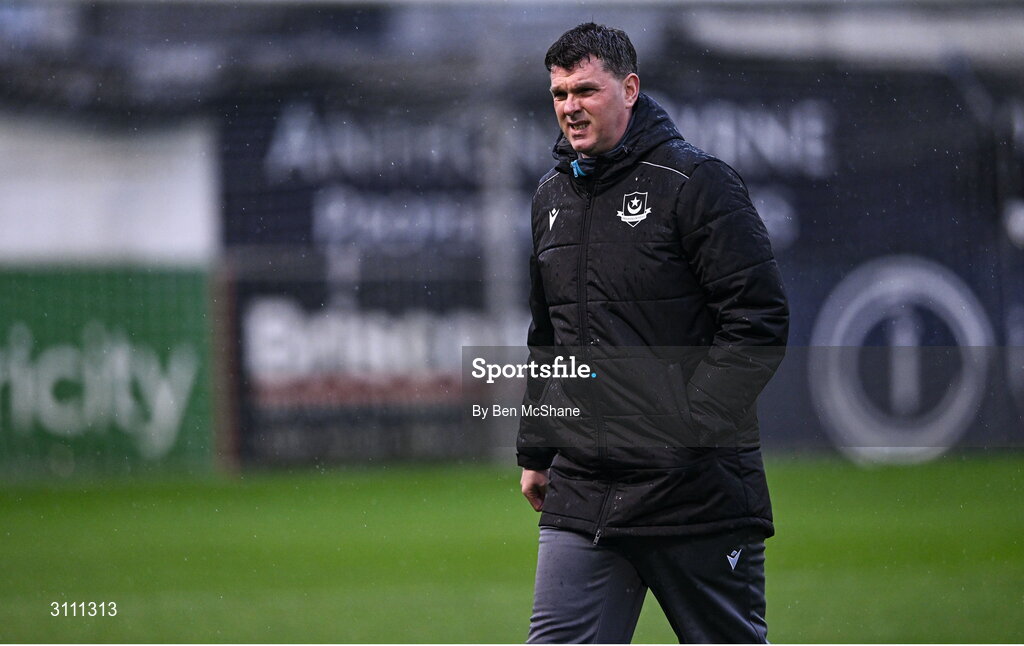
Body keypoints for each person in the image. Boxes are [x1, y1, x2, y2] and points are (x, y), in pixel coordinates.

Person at [516, 23, 790, 644]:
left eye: (585, 89)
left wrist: (687, 429)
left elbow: (758, 320)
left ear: (630, 88)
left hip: (692, 488)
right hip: (583, 484)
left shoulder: (698, 184)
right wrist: (537, 450)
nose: (569, 107)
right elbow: (548, 336)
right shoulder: (550, 197)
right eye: (559, 94)